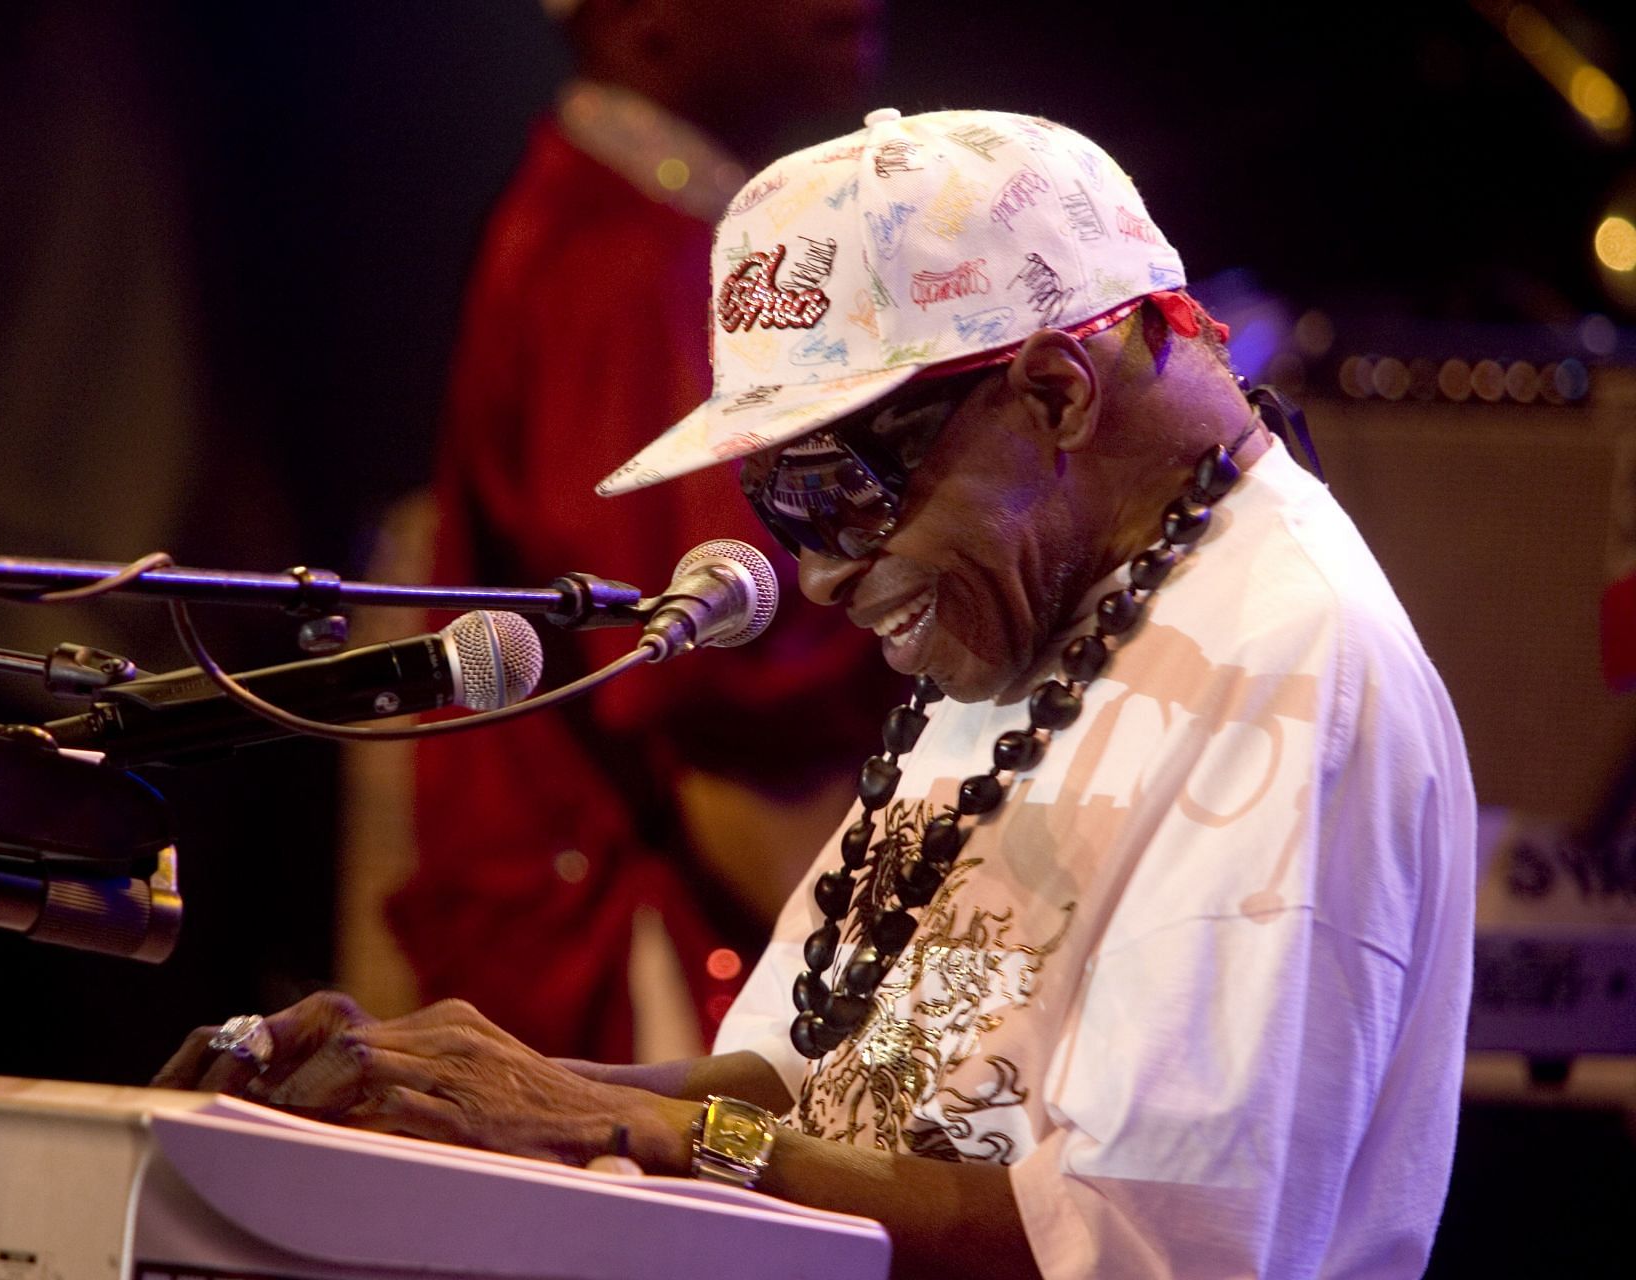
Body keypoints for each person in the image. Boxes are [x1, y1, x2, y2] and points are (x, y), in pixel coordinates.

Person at [162, 108, 1476, 1279]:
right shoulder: (1037, 621)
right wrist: (473, 1093)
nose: (821, 571)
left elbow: (1142, 1250)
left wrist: (631, 1126)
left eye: (838, 486)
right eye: (772, 499)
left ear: (1057, 394)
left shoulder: (1284, 675)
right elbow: (804, 1093)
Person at [389, 0, 899, 1062]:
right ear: (644, 22)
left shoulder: (649, 223)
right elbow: (701, 651)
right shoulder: (616, 254)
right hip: (628, 913)